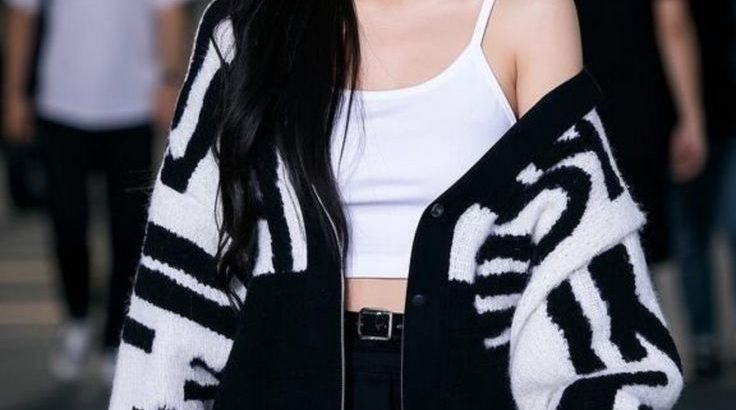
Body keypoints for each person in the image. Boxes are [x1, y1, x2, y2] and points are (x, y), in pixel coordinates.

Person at [109, 0, 683, 409]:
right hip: (279, 372)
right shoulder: (246, 23)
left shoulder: (526, 13)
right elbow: (182, 271)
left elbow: (575, 247)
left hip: (466, 376)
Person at [1, 0, 191, 381]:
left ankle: (115, 337)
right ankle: (77, 317)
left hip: (132, 107)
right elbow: (22, 15)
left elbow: (170, 12)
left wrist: (171, 82)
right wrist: (14, 94)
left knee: (129, 232)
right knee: (68, 224)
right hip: (60, 105)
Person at [669, 0, 736, 379]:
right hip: (688, 119)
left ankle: (704, 341)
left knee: (696, 232)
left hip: (700, 117)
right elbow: (672, 26)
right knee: (692, 233)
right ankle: (703, 340)